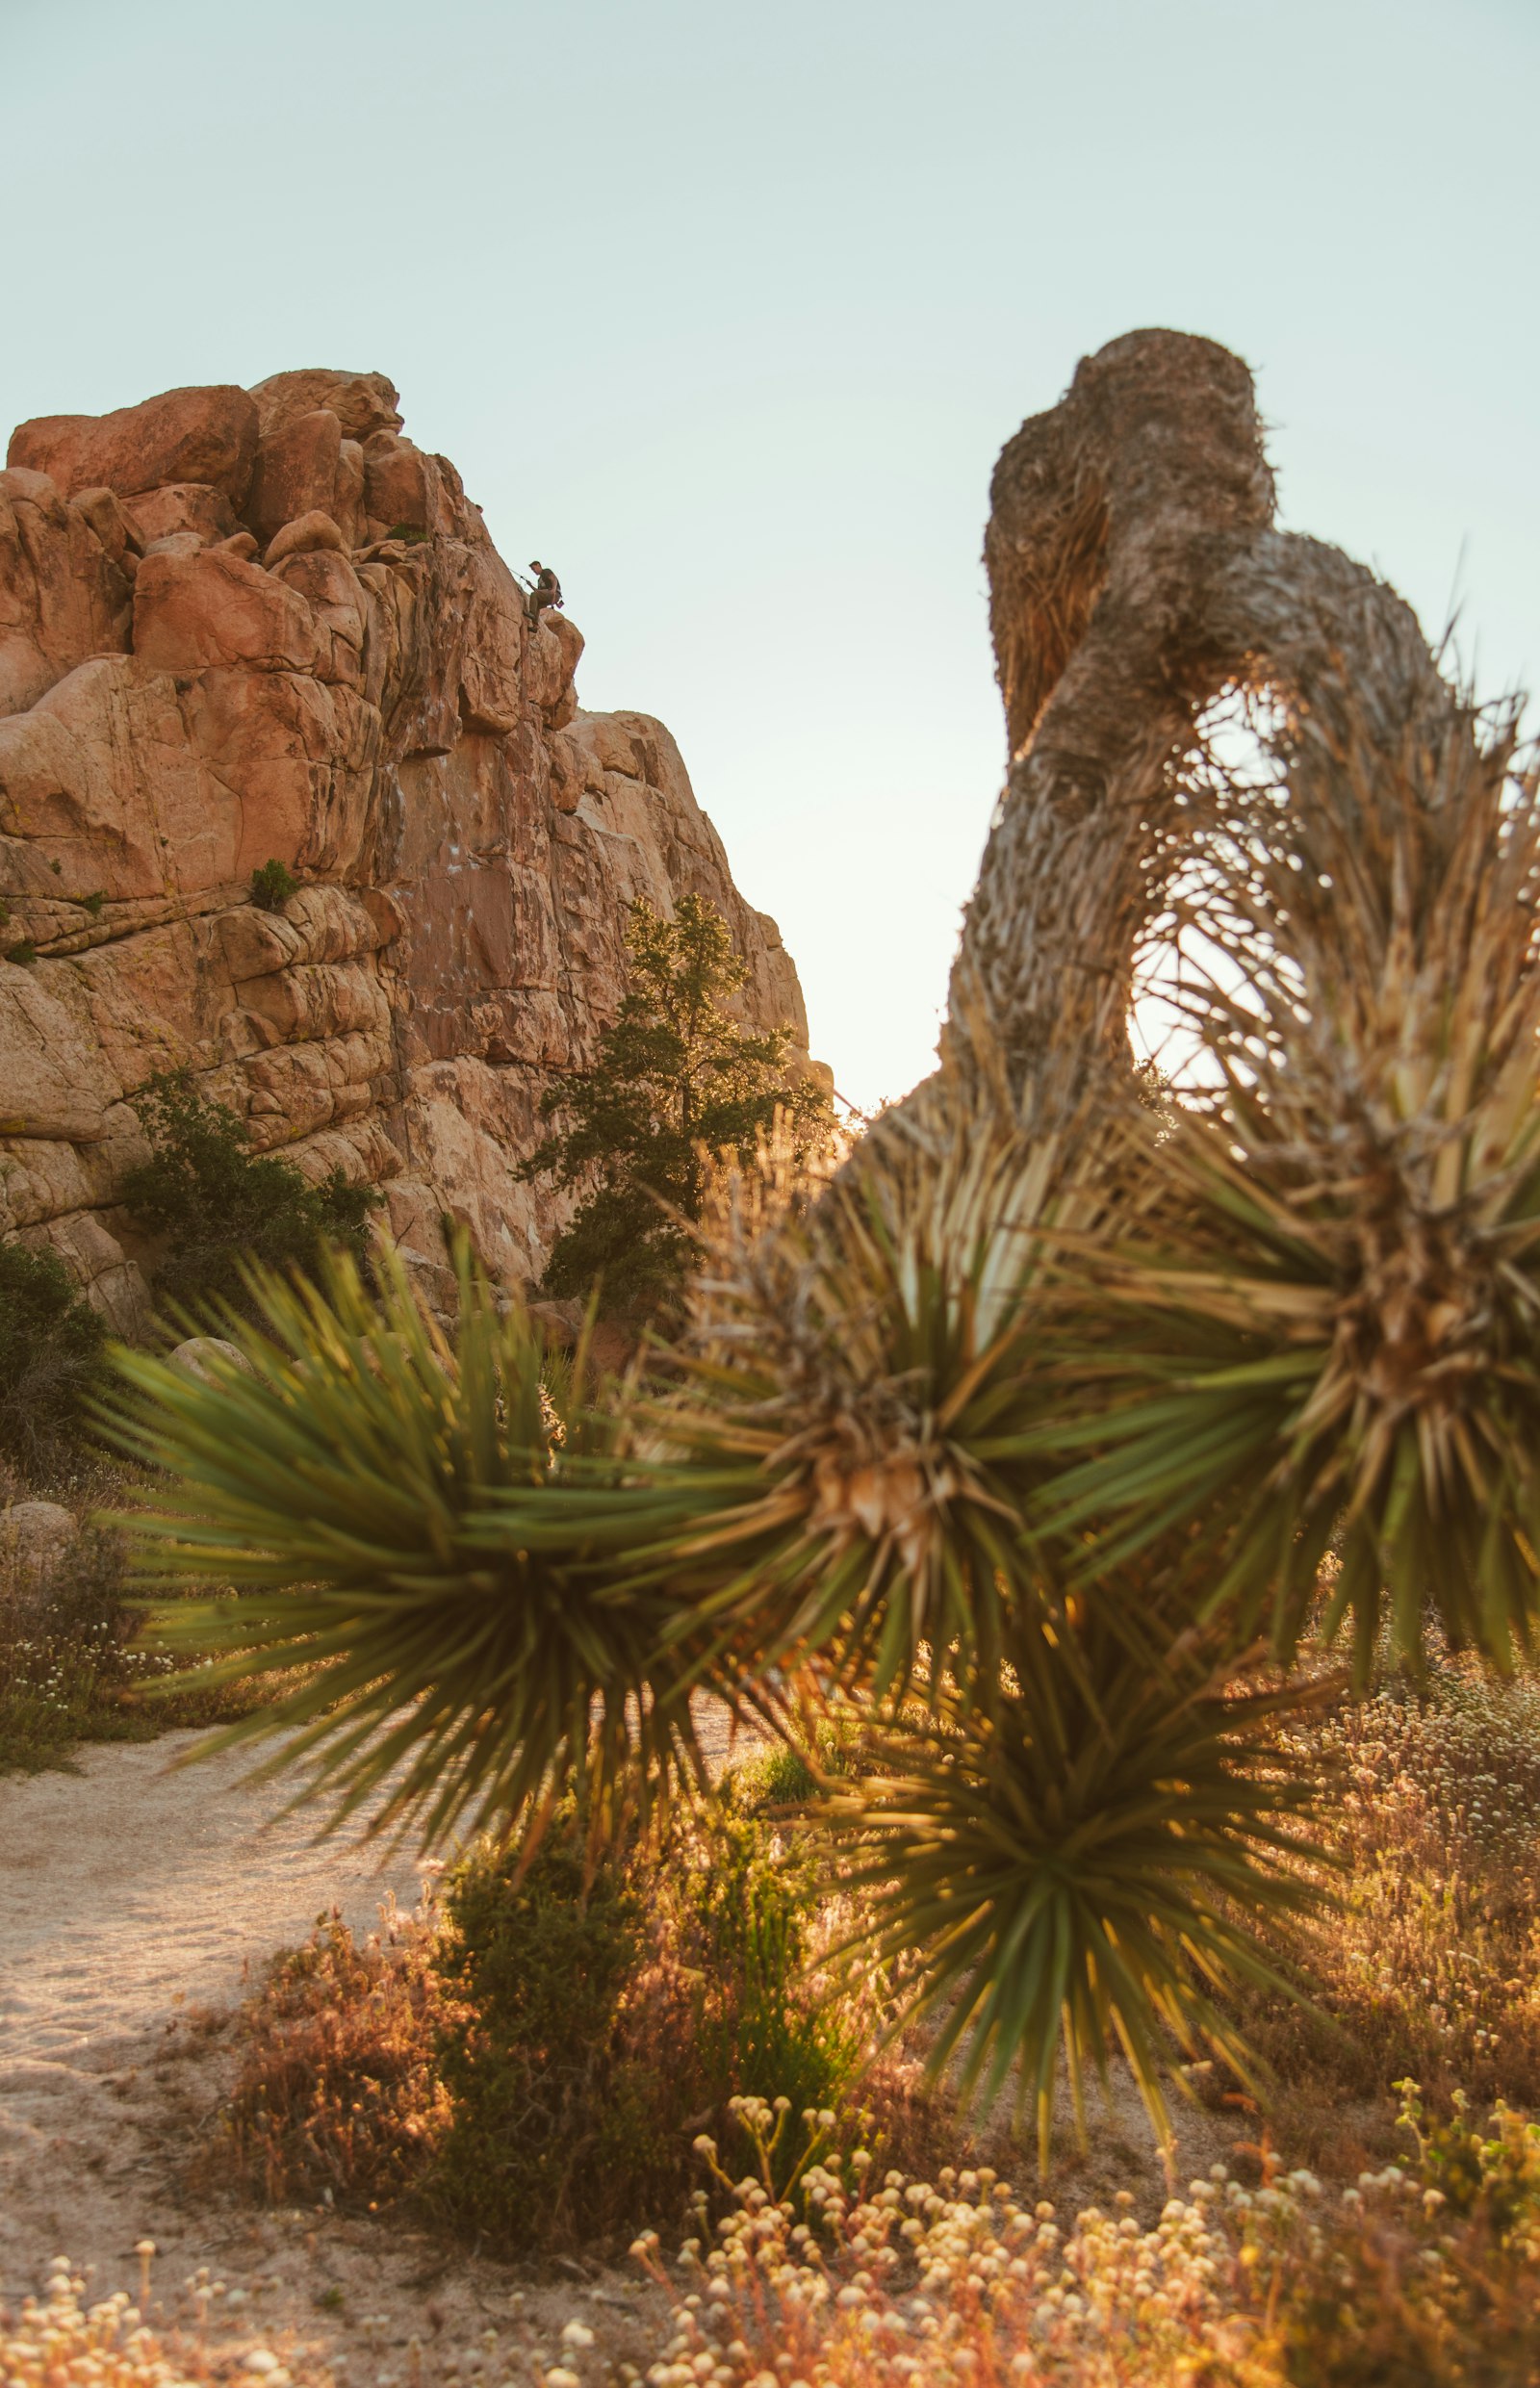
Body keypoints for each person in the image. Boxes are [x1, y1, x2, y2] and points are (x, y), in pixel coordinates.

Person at [526, 559, 563, 632]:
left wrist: (553, 590)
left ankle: (532, 613)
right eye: (532, 570)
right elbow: (539, 592)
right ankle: (535, 626)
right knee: (537, 605)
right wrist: (530, 585)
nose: (534, 571)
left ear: (538, 565)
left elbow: (554, 579)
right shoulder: (539, 580)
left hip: (554, 594)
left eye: (534, 569)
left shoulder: (546, 571)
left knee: (534, 595)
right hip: (548, 595)